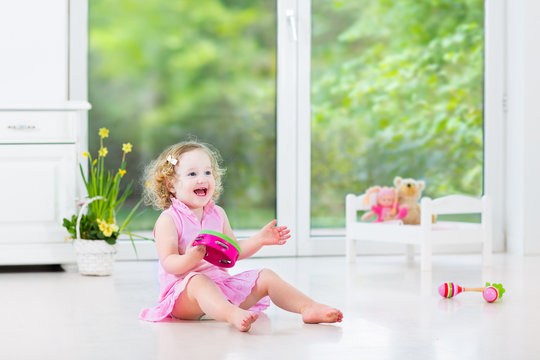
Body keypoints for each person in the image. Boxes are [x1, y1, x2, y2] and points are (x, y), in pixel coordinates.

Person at [139, 141, 343, 331]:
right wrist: (191, 258)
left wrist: (259, 240)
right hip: (184, 297)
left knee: (266, 276)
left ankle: (308, 307)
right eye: (192, 174)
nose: (202, 178)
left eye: (207, 172)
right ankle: (231, 314)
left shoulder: (217, 214)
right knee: (199, 280)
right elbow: (169, 262)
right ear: (171, 185)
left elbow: (233, 251)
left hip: (221, 289)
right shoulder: (169, 219)